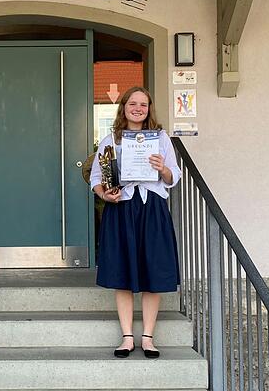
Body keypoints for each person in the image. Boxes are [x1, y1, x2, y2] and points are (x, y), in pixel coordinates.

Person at [89, 86, 180, 359]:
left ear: (149, 108)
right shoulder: (110, 140)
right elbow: (96, 179)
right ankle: (127, 336)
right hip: (122, 208)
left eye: (144, 104)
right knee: (123, 272)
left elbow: (173, 175)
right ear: (124, 107)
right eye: (133, 103)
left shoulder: (161, 138)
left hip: (152, 208)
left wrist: (161, 167)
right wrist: (106, 195)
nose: (138, 108)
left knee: (153, 271)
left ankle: (148, 337)